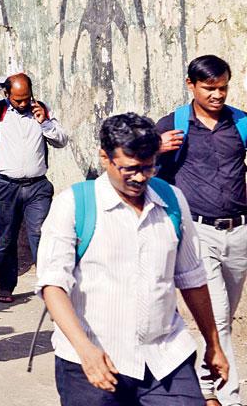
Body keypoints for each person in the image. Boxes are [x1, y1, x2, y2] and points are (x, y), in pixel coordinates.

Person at [39, 113, 230, 406]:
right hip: (92, 360)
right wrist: (85, 351)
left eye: (148, 167)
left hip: (165, 358)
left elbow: (192, 279)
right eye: (129, 169)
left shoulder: (172, 201)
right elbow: (53, 285)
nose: (140, 177)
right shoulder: (75, 204)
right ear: (105, 158)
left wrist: (213, 345)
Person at [154, 55, 247, 406]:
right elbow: (141, 171)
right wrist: (157, 147)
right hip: (197, 233)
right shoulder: (173, 125)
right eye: (209, 88)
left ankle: (207, 386)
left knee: (221, 318)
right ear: (191, 86)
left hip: (239, 233)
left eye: (223, 88)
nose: (217, 95)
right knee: (219, 316)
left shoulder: (240, 123)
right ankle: (229, 396)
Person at [0, 71, 69, 303]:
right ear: (7, 94)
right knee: (6, 238)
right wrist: (5, 80)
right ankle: (6, 286)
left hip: (37, 187)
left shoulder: (41, 110)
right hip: (5, 187)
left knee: (42, 235)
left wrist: (45, 122)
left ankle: (49, 286)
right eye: (18, 99)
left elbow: (61, 140)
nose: (23, 103)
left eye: (27, 98)